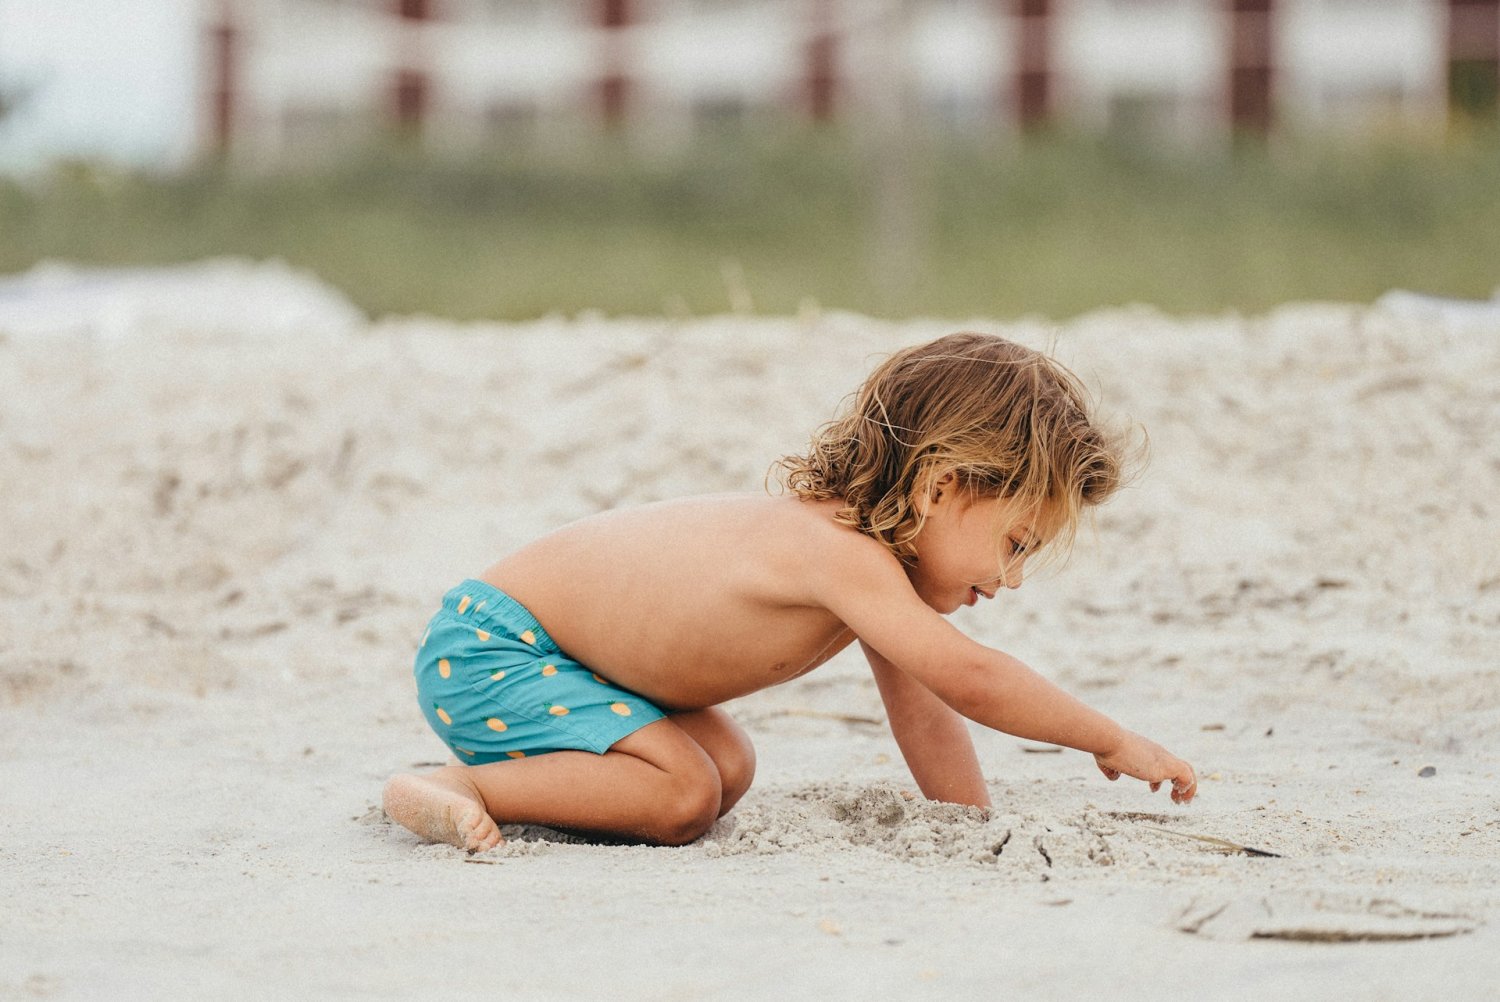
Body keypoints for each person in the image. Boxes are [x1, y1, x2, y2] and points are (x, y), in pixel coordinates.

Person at [382, 331, 1197, 853]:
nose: (1012, 578)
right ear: (941, 486)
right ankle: (458, 786)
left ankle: (522, 782)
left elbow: (924, 712)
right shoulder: (838, 553)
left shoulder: (874, 567)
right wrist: (1106, 738)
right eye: (1015, 544)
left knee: (727, 767)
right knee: (686, 793)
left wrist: (973, 831)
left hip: (569, 665)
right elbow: (970, 678)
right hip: (495, 651)